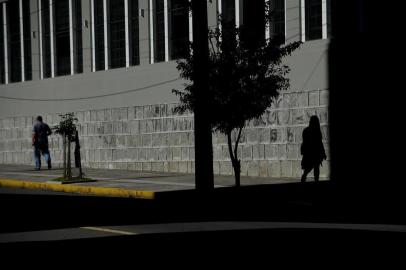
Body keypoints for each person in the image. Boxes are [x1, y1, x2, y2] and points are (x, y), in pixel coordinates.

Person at [300, 115, 327, 182]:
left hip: (308, 153)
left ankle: (304, 178)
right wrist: (323, 153)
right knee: (315, 168)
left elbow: (304, 142)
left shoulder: (306, 130)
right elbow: (320, 143)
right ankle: (315, 179)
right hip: (316, 153)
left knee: (308, 168)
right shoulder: (317, 131)